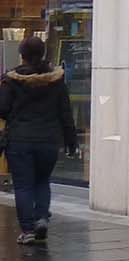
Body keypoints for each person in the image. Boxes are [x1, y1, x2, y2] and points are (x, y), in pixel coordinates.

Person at [0, 37, 77, 245]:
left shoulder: (11, 80)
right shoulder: (56, 80)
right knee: (42, 181)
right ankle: (41, 218)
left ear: (22, 55)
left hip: (19, 141)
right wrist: (71, 141)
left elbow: (2, 109)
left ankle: (27, 230)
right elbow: (65, 113)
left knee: (23, 186)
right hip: (49, 140)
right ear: (42, 54)